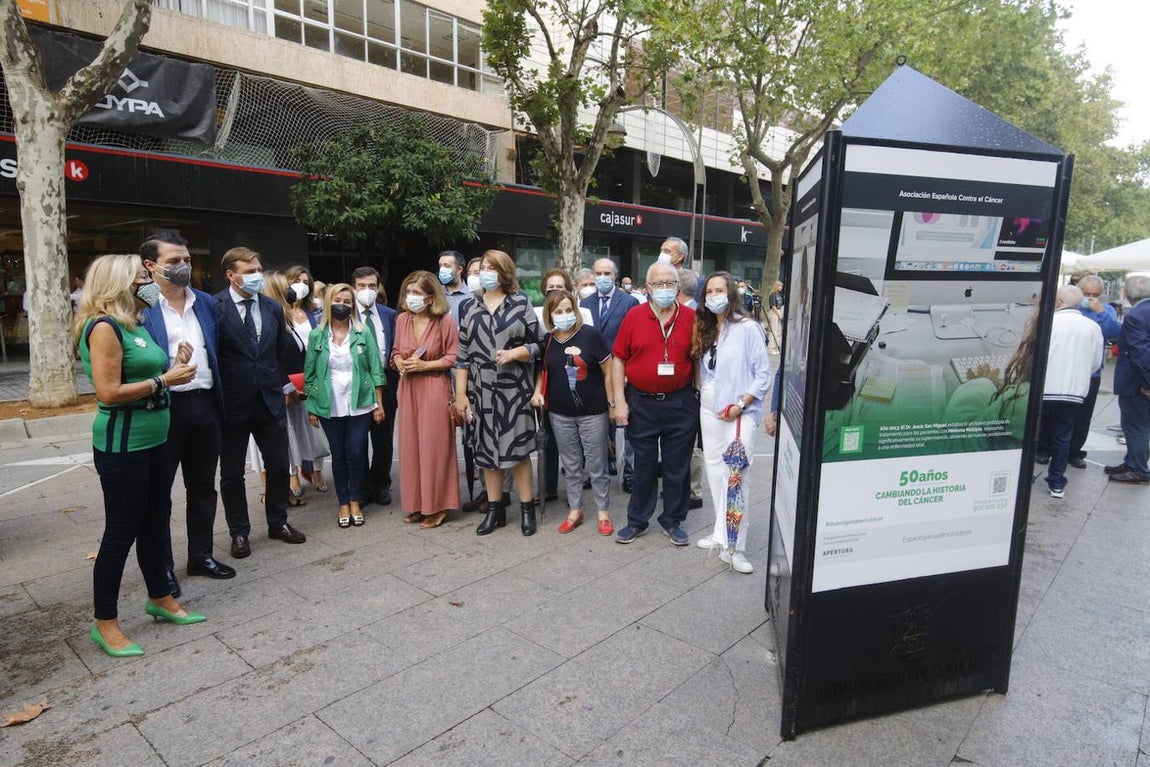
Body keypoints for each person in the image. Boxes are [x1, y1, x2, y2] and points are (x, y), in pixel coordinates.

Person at [76, 254, 204, 658]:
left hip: (154, 439)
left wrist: (173, 365)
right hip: (123, 444)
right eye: (139, 276)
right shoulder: (103, 327)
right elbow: (108, 391)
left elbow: (145, 374)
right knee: (120, 533)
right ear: (118, 283)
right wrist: (165, 379)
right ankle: (106, 623)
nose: (148, 281)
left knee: (155, 520)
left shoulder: (136, 322)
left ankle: (160, 597)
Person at [140, 232, 236, 595]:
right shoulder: (140, 305)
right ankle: (162, 569)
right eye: (174, 261)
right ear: (151, 266)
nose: (184, 266)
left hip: (205, 404)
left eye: (187, 259)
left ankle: (201, 555)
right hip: (163, 407)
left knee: (202, 487)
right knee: (158, 493)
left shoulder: (207, 303)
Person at [214, 246, 307, 559]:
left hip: (270, 398)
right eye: (249, 271)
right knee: (231, 474)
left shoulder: (270, 307)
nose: (256, 275)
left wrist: (285, 386)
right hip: (233, 402)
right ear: (231, 275)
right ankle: (239, 532)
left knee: (279, 464)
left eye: (258, 269)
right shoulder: (215, 307)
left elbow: (279, 352)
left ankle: (278, 522)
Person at [454, 249, 541, 536]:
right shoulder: (469, 306)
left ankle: (527, 509)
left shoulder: (520, 302)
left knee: (517, 453)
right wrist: (461, 394)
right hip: (480, 391)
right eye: (482, 268)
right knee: (486, 454)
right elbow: (463, 355)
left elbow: (539, 344)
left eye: (492, 267)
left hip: (514, 389)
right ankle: (495, 510)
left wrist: (518, 352)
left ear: (504, 271)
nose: (485, 272)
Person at [611, 262, 698, 546]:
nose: (664, 289)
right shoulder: (634, 317)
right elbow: (618, 360)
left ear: (678, 286)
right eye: (658, 284)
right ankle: (637, 521)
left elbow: (697, 359)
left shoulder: (690, 318)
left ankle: (673, 520)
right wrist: (619, 402)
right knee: (644, 466)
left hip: (680, 403)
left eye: (670, 283)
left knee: (677, 467)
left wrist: (698, 396)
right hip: (642, 403)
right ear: (648, 288)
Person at [691, 272, 773, 572]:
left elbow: (763, 374)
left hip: (739, 412)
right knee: (714, 470)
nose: (714, 296)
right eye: (709, 291)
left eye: (719, 290)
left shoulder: (747, 328)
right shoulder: (708, 327)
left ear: (731, 294)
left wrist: (741, 404)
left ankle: (736, 546)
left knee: (736, 475)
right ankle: (719, 532)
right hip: (709, 407)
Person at [532, 290, 615, 535]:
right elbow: (543, 371)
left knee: (597, 463)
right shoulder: (547, 340)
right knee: (571, 464)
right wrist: (537, 391)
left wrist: (612, 404)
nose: (565, 315)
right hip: (560, 413)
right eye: (559, 311)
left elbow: (609, 370)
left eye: (569, 310)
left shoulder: (591, 336)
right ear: (550, 315)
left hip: (593, 411)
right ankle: (575, 510)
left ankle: (603, 512)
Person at [304, 283, 387, 526]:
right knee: (338, 454)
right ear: (329, 302)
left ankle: (355, 499)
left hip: (360, 402)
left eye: (348, 302)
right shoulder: (317, 335)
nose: (343, 305)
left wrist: (379, 403)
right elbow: (309, 374)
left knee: (355, 452)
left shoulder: (362, 332)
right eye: (338, 300)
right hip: (330, 404)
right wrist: (312, 406)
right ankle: (343, 502)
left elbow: (376, 370)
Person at [392, 270, 461, 528]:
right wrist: (399, 360)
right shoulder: (402, 320)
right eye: (408, 292)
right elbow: (396, 351)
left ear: (431, 297)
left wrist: (424, 366)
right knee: (411, 448)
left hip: (434, 387)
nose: (411, 297)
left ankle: (439, 505)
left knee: (435, 448)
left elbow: (453, 357)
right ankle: (418, 504)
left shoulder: (444, 321)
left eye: (417, 293)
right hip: (408, 387)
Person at [1039, 274, 1122, 468]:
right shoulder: (1067, 309)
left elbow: (1115, 333)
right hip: (1058, 367)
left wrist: (1100, 312)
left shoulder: (1104, 311)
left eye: (1096, 294)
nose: (1091, 298)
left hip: (1088, 373)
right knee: (1048, 414)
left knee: (1082, 416)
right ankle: (1044, 448)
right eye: (1087, 294)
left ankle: (1074, 451)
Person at [1039, 285, 1103, 498]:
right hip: (1073, 391)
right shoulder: (1092, 327)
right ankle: (1057, 483)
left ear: (1058, 301)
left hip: (1044, 388)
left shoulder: (1049, 322)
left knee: (1034, 432)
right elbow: (1096, 363)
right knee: (1063, 436)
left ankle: (1023, 477)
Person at [263, 271, 319, 507]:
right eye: (287, 285)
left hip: (288, 389)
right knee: (276, 446)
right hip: (275, 393)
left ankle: (283, 491)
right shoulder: (272, 320)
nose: (294, 289)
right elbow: (270, 358)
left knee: (287, 442)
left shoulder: (283, 319)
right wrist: (285, 387)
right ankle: (278, 493)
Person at [582, 258, 638, 482]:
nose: (602, 278)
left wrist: (626, 372)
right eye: (598, 273)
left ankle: (630, 473)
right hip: (592, 374)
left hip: (620, 372)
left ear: (614, 276)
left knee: (624, 423)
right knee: (593, 426)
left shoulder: (629, 302)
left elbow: (633, 340)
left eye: (606, 273)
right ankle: (595, 472)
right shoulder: (585, 304)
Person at [351, 266, 398, 507]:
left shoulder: (390, 315)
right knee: (358, 439)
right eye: (361, 286)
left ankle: (381, 484)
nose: (367, 291)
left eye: (371, 286)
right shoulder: (345, 314)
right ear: (353, 288)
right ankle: (363, 487)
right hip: (357, 385)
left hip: (386, 382)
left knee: (383, 440)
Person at [284, 265, 330, 491]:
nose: (301, 286)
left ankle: (317, 471)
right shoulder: (279, 311)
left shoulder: (316, 310)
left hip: (314, 376)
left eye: (305, 281)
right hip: (289, 377)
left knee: (315, 425)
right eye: (296, 281)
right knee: (291, 428)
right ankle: (293, 474)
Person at [1107, 275, 1150, 484]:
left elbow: (1141, 353)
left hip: (1137, 383)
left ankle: (1138, 468)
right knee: (1137, 424)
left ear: (1127, 294)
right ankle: (1132, 461)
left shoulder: (1136, 316)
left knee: (1136, 425)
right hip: (1141, 381)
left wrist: (1147, 383)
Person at [437, 250, 471, 320]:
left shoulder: (472, 295)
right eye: (440, 266)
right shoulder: (436, 293)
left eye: (446, 266)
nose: (442, 269)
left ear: (459, 269)